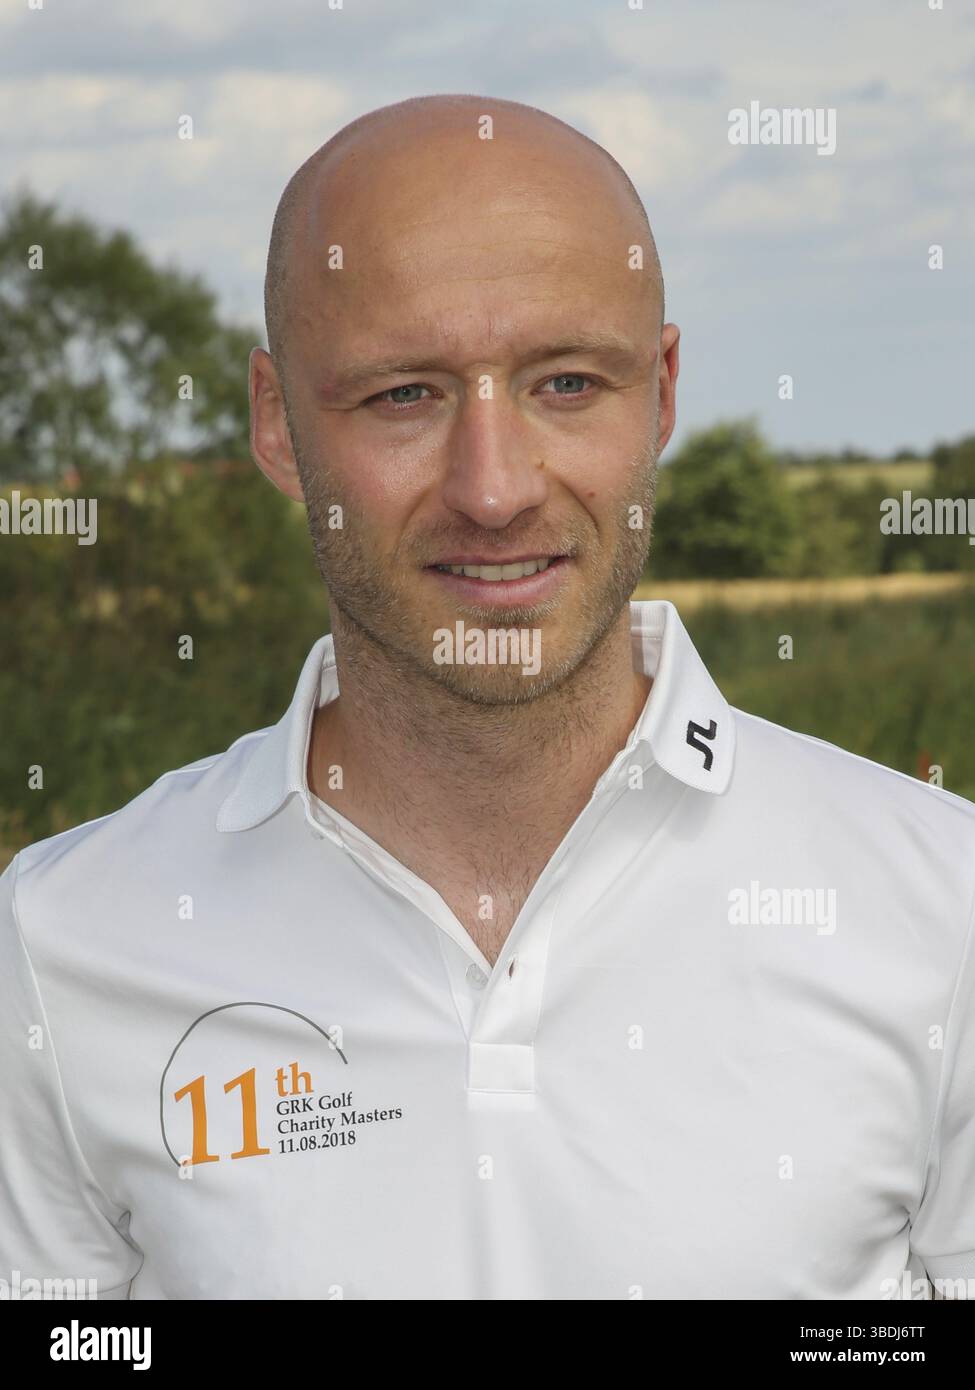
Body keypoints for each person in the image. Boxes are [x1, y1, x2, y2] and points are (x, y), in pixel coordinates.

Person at [1, 94, 972, 1301]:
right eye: (404, 394)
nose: (495, 488)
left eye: (567, 382)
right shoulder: (55, 948)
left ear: (661, 394)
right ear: (278, 423)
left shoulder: (944, 909)